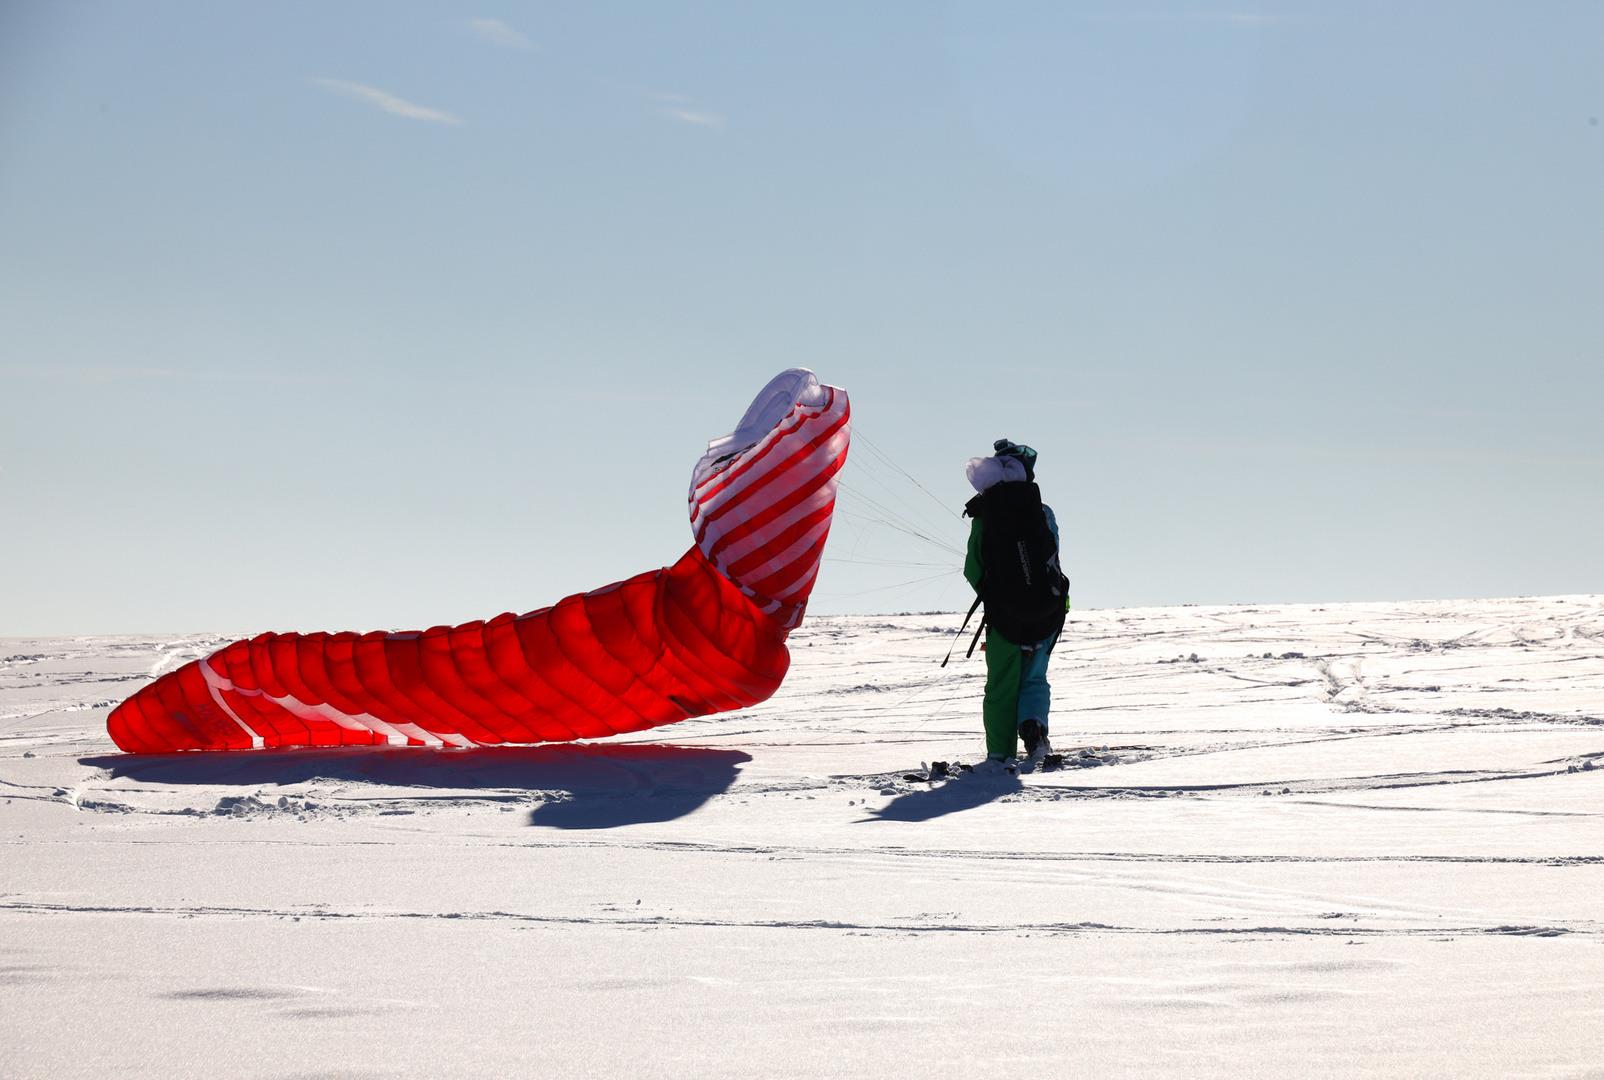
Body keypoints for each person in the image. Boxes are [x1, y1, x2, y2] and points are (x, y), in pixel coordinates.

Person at [962, 439, 1069, 773]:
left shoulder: (985, 516)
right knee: (1034, 679)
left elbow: (973, 569)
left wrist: (995, 595)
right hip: (1048, 614)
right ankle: (1034, 730)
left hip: (1004, 620)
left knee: (1001, 687)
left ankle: (999, 758)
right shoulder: (1043, 513)